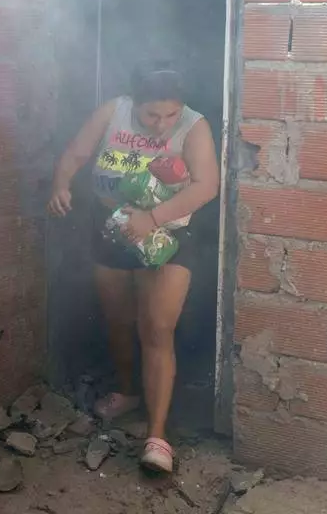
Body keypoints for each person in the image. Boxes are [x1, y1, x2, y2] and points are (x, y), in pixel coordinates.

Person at [47, 62, 219, 473]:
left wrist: (154, 218)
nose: (162, 124)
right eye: (152, 115)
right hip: (114, 231)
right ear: (135, 104)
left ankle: (156, 437)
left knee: (156, 327)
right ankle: (127, 393)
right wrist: (61, 183)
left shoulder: (194, 127)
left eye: (170, 115)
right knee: (119, 320)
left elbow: (206, 185)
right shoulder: (114, 112)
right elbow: (76, 152)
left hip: (168, 238)